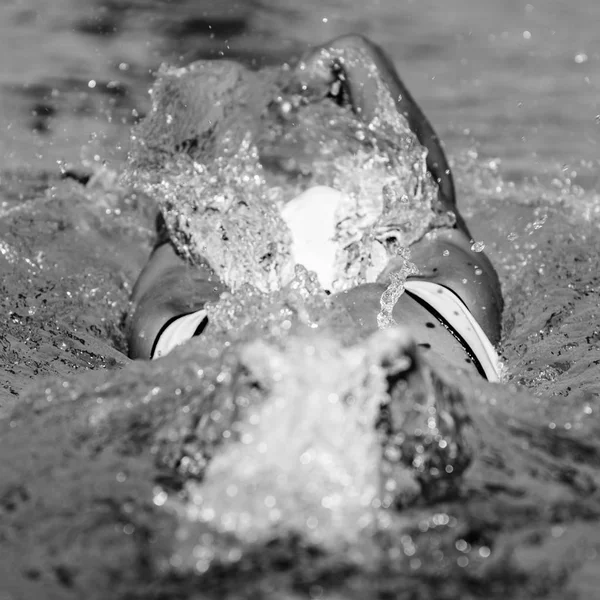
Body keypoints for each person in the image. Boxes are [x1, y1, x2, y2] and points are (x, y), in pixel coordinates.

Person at [126, 34, 503, 381]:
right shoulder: (446, 285)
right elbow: (431, 195)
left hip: (229, 355)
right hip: (419, 340)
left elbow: (181, 212)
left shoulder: (186, 302)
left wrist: (217, 89)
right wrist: (352, 56)